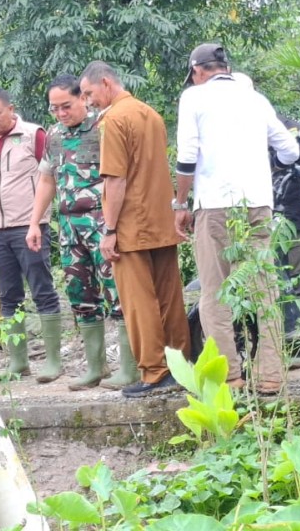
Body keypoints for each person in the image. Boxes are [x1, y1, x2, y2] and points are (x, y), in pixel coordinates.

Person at [173, 43, 299, 395]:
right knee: (265, 291)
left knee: (215, 293)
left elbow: (186, 158)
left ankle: (230, 377)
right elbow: (289, 151)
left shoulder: (194, 98)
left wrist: (179, 203)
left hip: (214, 206)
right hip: (258, 204)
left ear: (198, 72)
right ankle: (270, 376)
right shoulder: (255, 99)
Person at [78, 61, 190, 398]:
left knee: (138, 300)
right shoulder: (150, 114)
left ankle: (154, 372)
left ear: (107, 83)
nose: (88, 102)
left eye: (89, 93)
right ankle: (181, 366)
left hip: (131, 223)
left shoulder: (113, 119)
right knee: (170, 296)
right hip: (161, 218)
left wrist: (109, 229)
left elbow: (115, 178)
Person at [26, 74, 139, 392]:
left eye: (66, 106)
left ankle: (129, 368)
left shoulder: (104, 127)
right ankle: (95, 367)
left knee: (117, 294)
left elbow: (122, 176)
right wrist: (35, 222)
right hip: (70, 228)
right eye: (54, 109)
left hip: (103, 226)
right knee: (80, 296)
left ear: (82, 99)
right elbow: (47, 179)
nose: (61, 114)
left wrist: (115, 227)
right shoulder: (54, 135)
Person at [0, 87, 63, 382]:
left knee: (42, 289)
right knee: (8, 294)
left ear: (12, 109)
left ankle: (53, 362)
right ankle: (18, 363)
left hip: (29, 225)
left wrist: (37, 220)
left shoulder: (34, 135)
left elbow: (49, 176)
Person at [271, 117, 300, 343]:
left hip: (289, 213)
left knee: (296, 276)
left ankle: (297, 341)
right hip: (250, 216)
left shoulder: (291, 129)